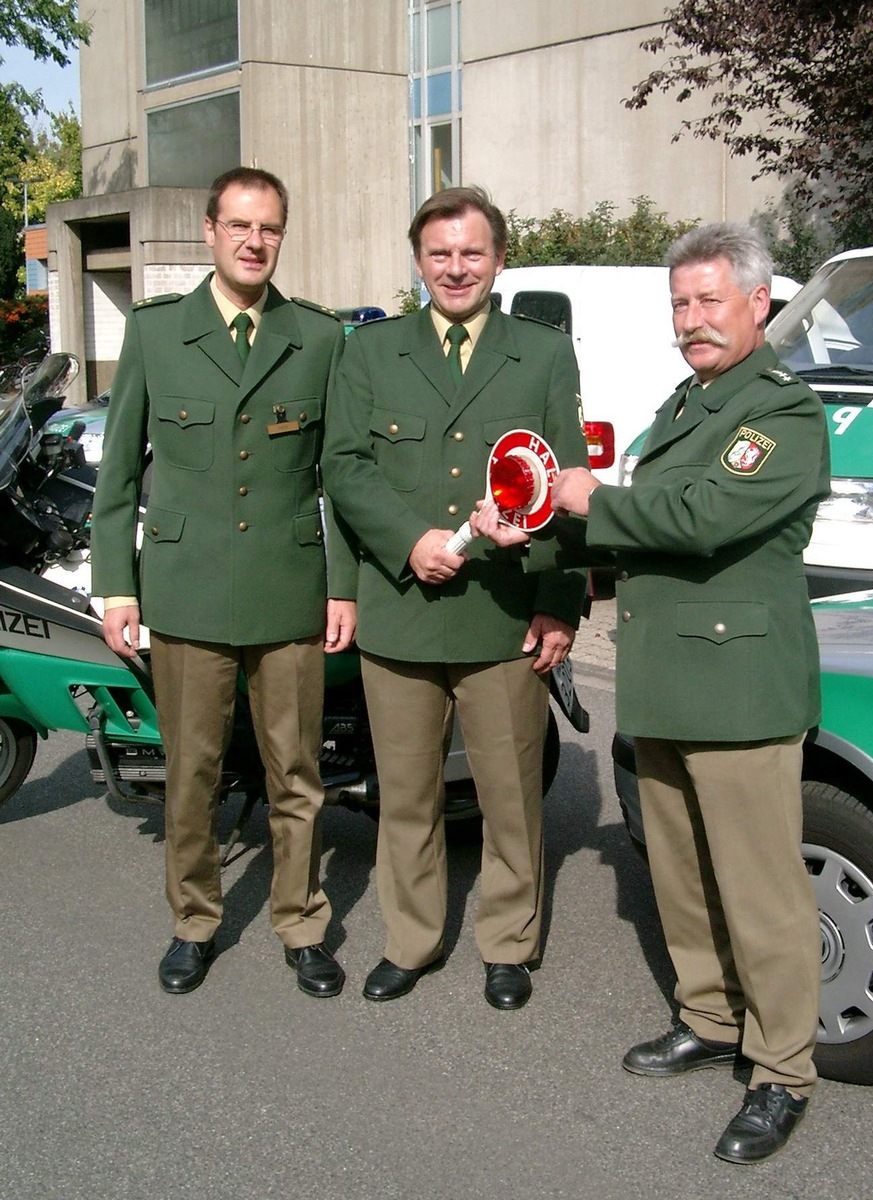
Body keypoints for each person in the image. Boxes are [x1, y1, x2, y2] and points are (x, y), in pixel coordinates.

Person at [472, 222, 828, 1161]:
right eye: (680, 304)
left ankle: (782, 1069)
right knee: (678, 875)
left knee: (760, 892)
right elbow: (635, 532)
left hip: (743, 692)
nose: (691, 321)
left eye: (710, 301)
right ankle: (710, 1018)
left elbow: (700, 518)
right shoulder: (685, 404)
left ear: (758, 304)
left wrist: (583, 497)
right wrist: (529, 524)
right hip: (667, 681)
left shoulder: (780, 414)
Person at [91, 166, 358, 998]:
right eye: (239, 226)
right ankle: (194, 921)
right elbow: (119, 475)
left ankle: (300, 922)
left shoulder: (316, 338)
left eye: (269, 228)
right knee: (193, 773)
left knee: (296, 774)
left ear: (282, 235)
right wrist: (117, 586)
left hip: (287, 590)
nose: (254, 241)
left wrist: (342, 586)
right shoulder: (156, 332)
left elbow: (336, 475)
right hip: (186, 589)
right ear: (210, 232)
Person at [323, 185, 587, 1010]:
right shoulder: (370, 352)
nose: (456, 267)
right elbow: (347, 468)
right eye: (439, 254)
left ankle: (507, 942)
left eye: (472, 252)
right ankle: (411, 939)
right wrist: (411, 541)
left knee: (509, 793)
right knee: (404, 795)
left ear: (498, 260)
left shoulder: (542, 355)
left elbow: (567, 483)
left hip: (503, 616)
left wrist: (559, 601)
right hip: (403, 610)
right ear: (418, 262)